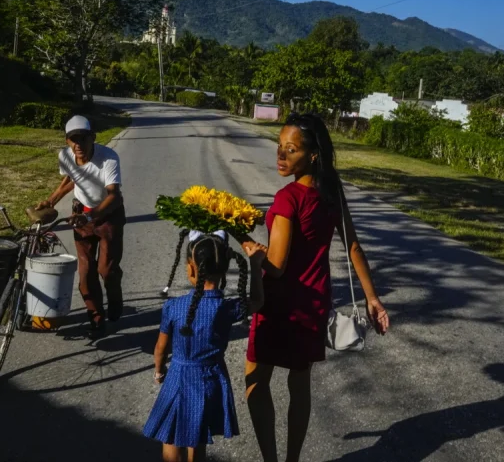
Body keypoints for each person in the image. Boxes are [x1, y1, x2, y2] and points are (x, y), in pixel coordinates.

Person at [239, 112, 391, 462]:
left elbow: (275, 268)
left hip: (279, 304)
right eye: (279, 147)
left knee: (256, 381)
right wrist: (373, 299)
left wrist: (241, 238)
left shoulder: (288, 198)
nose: (280, 156)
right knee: (299, 381)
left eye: (290, 150)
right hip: (315, 300)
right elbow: (353, 245)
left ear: (312, 155)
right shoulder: (331, 190)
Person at [143, 231, 266, 462]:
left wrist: (159, 372)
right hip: (210, 378)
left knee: (170, 436)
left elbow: (160, 348)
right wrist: (255, 263)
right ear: (224, 270)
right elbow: (258, 301)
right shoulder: (227, 308)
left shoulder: (174, 307)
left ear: (191, 269)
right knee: (197, 435)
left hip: (178, 376)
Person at [36, 115, 126, 339]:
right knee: (85, 274)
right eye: (72, 139)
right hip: (81, 215)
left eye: (82, 138)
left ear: (92, 138)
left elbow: (114, 196)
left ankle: (115, 297)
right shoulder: (66, 156)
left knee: (107, 270)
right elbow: (71, 178)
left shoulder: (108, 158)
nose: (78, 144)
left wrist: (92, 216)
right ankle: (96, 320)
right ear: (67, 141)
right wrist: (51, 200)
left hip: (108, 215)